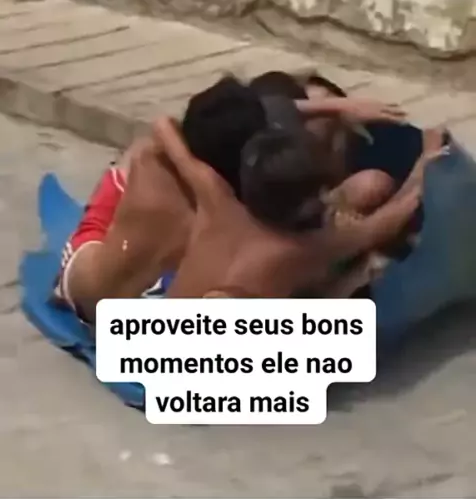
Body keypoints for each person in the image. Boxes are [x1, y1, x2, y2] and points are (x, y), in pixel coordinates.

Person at [53, 74, 423, 318]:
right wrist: (426, 163)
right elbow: (378, 226)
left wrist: (334, 106)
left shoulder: (175, 171)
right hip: (133, 313)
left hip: (88, 294)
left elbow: (165, 124)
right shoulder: (244, 214)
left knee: (134, 156)